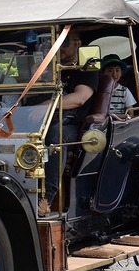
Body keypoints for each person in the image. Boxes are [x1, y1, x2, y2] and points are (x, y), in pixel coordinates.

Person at [39, 29, 98, 217]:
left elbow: (79, 98)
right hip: (46, 121)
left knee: (57, 135)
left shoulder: (87, 69)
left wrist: (46, 106)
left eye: (64, 43)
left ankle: (47, 198)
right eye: (55, 43)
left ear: (77, 44)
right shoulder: (49, 70)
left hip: (74, 124)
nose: (58, 48)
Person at [100, 53, 138, 118]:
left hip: (120, 124)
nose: (114, 74)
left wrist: (112, 116)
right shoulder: (99, 90)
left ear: (121, 72)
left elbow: (131, 115)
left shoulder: (124, 91)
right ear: (103, 73)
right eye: (110, 71)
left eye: (117, 70)